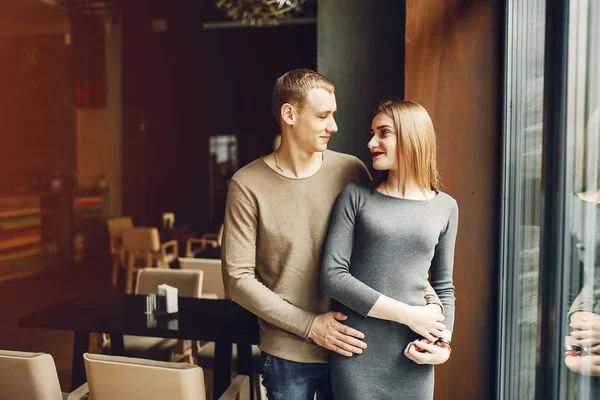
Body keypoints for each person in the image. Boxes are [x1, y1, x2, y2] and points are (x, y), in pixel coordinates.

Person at [222, 70, 445, 400]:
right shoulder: (247, 184)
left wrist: (434, 310)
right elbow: (237, 279)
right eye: (324, 116)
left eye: (334, 115)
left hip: (359, 347)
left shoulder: (351, 170)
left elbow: (389, 251)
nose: (334, 126)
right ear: (289, 114)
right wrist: (310, 325)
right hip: (289, 353)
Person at [320, 99, 458, 400]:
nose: (371, 142)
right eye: (372, 133)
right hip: (359, 349)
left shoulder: (446, 207)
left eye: (383, 133)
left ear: (412, 136)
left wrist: (443, 344)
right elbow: (333, 277)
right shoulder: (356, 197)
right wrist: (410, 315)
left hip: (415, 354)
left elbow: (444, 285)